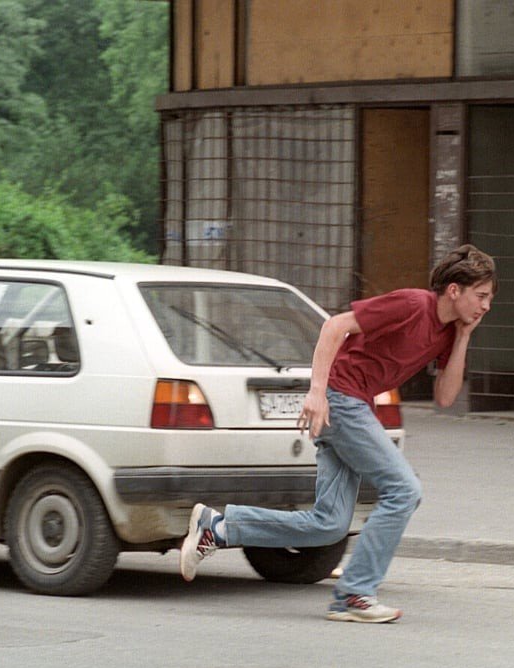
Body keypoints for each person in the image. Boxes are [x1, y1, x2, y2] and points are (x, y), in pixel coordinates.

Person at [179, 244, 496, 623]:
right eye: (481, 296)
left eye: (489, 298)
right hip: (340, 400)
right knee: (404, 489)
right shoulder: (413, 305)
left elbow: (445, 397)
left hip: (353, 405)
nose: (486, 306)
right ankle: (356, 594)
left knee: (328, 524)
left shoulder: (447, 334)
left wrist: (463, 337)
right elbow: (336, 325)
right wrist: (316, 391)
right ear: (454, 290)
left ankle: (219, 528)